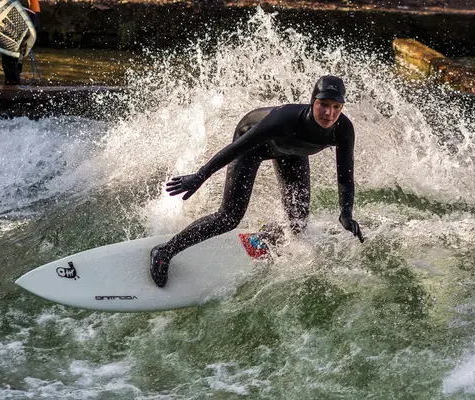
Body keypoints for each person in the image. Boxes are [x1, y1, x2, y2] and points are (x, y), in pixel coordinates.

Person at [150, 75, 364, 287]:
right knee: (229, 217)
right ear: (312, 102)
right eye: (323, 105)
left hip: (291, 152)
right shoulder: (284, 119)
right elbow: (235, 149)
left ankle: (268, 235)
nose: (329, 113)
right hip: (252, 147)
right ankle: (164, 251)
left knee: (298, 221)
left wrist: (346, 214)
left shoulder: (343, 130)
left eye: (337, 107)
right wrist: (200, 176)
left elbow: (345, 177)